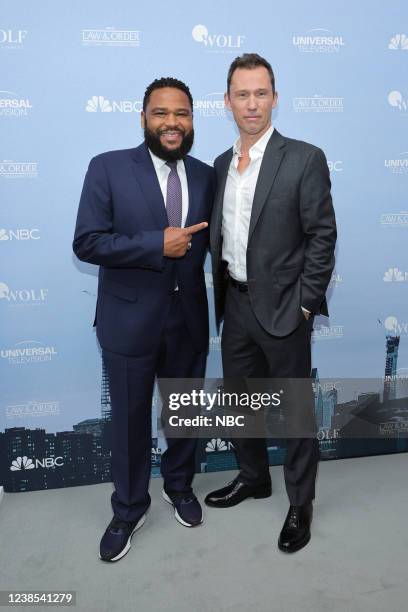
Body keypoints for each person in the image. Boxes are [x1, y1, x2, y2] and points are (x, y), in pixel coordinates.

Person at [73, 77, 215, 562]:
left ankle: (180, 487)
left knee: (184, 416)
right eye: (161, 113)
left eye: (182, 113)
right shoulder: (108, 168)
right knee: (130, 423)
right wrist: (157, 243)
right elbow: (87, 242)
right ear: (143, 118)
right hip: (128, 321)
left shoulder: (205, 175)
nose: (172, 123)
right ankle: (129, 509)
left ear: (192, 119)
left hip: (189, 321)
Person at [205, 54, 337, 553]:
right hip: (235, 306)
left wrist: (305, 305)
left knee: (295, 413)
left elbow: (322, 236)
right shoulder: (220, 166)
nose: (252, 104)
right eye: (242, 94)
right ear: (228, 102)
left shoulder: (304, 158)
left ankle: (300, 502)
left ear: (275, 98)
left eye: (261, 93)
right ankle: (254, 477)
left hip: (285, 310)